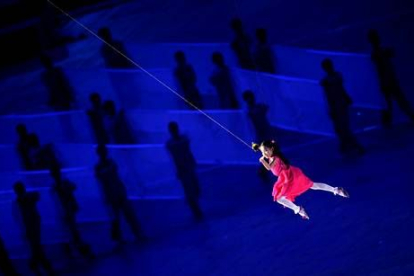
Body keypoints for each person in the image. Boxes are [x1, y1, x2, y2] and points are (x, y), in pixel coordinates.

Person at [252, 140, 349, 219]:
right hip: (284, 178)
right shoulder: (270, 157)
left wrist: (262, 160)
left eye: (266, 150)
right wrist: (260, 150)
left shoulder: (276, 158)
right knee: (279, 198)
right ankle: (299, 210)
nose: (265, 153)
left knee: (312, 186)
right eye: (263, 151)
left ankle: (335, 190)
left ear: (272, 149)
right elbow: (265, 158)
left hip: (291, 177)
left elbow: (269, 168)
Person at [367, 29, 414, 126]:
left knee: (391, 103)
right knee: (395, 101)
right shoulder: (378, 53)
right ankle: (390, 121)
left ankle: (388, 122)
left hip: (387, 81)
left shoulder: (378, 53)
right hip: (388, 81)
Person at [320, 58, 364, 155]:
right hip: (339, 104)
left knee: (342, 127)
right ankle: (346, 145)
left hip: (338, 105)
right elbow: (337, 91)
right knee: (342, 127)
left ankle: (350, 145)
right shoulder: (334, 78)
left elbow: (330, 95)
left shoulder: (327, 81)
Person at [166, 122, 203, 221]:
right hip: (184, 169)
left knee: (194, 189)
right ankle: (196, 211)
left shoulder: (173, 143)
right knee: (191, 190)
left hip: (186, 168)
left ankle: (196, 209)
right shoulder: (180, 141)